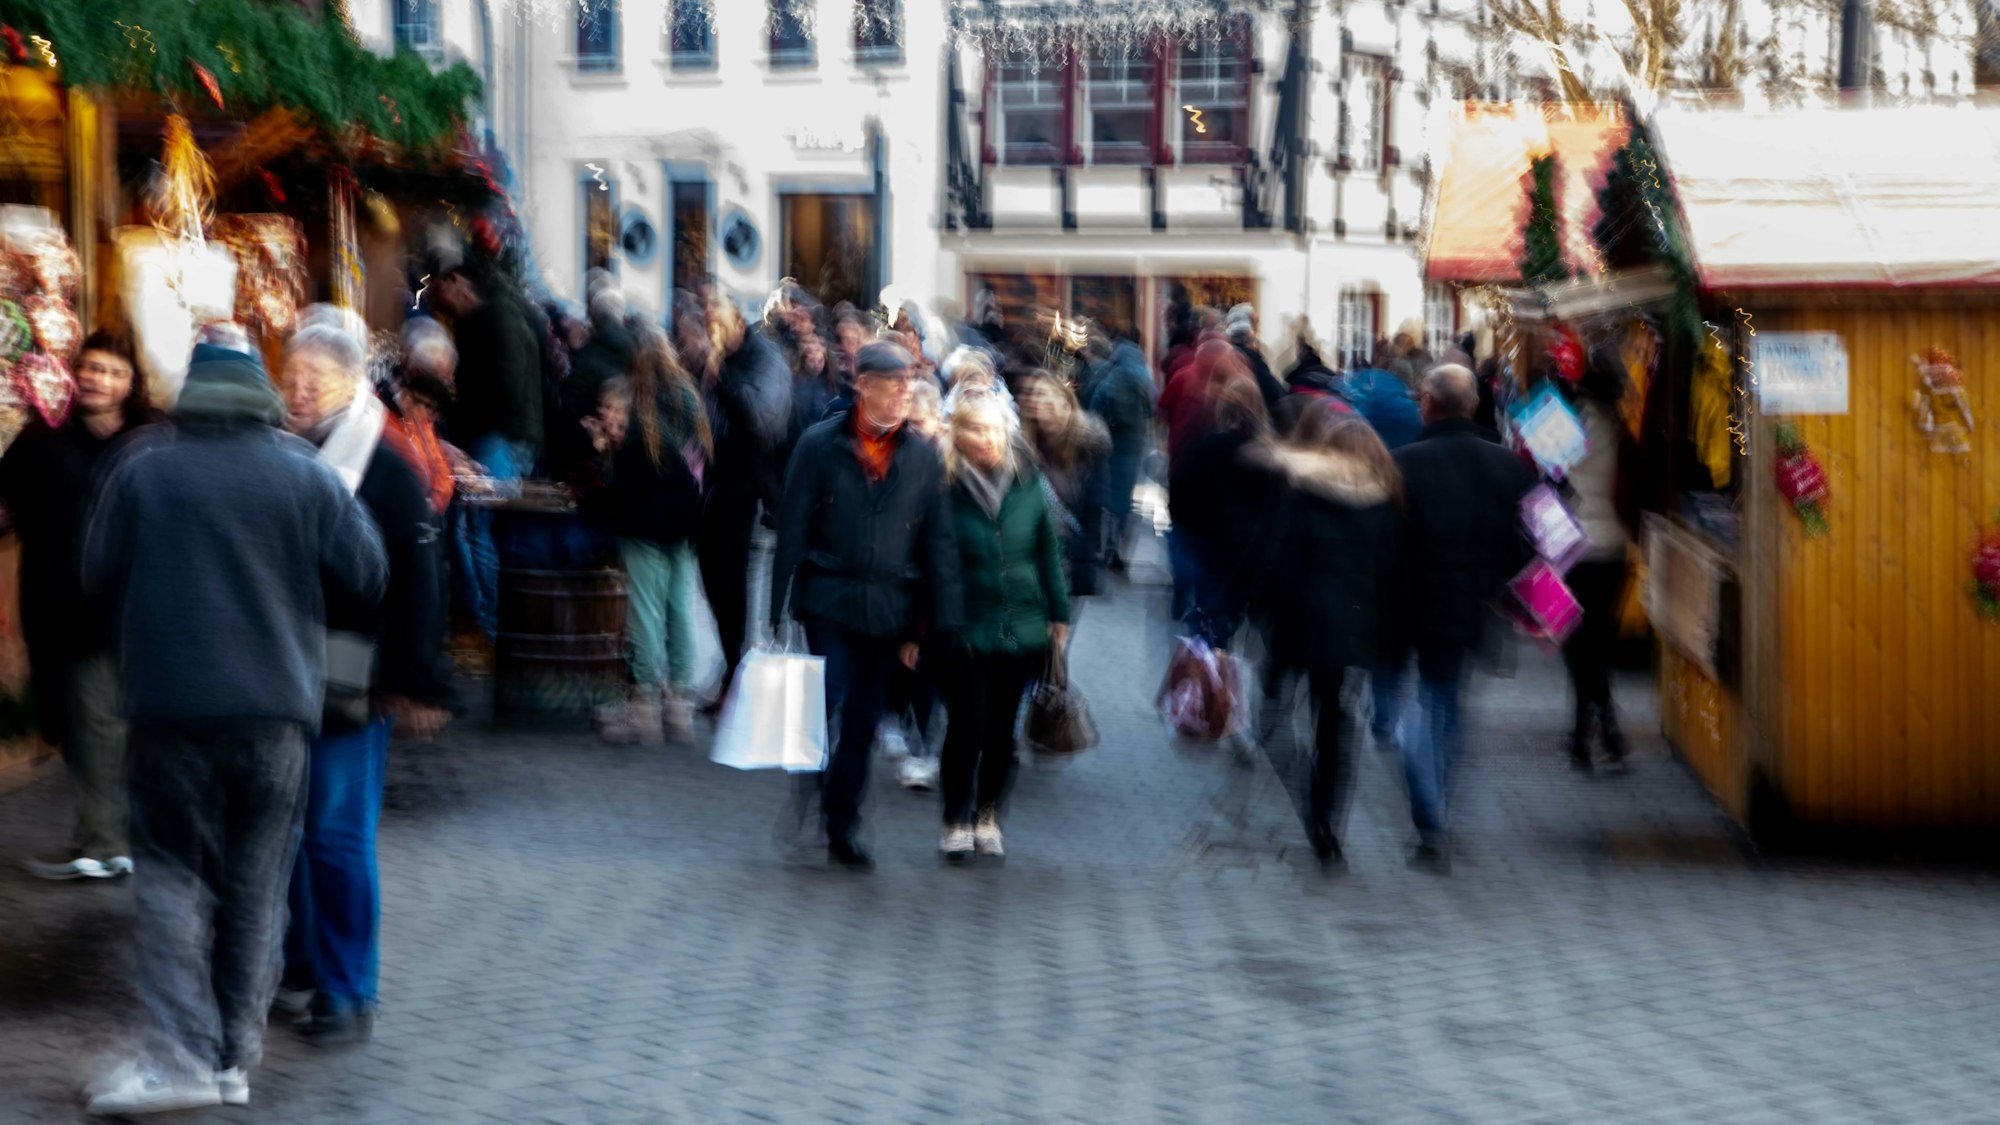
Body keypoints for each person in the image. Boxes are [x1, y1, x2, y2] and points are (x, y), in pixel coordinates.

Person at [78, 341, 387, 1115]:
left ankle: (177, 1054)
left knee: (174, 881)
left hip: (168, 710)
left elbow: (93, 571)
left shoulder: (144, 467)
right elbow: (369, 570)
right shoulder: (303, 471)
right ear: (260, 398)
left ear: (190, 396)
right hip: (277, 712)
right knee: (258, 884)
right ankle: (231, 1061)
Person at [277, 322, 452, 1045]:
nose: (300, 388)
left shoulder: (383, 469)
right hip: (279, 669)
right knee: (287, 832)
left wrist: (416, 682)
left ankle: (350, 991)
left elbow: (418, 585)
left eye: (316, 375)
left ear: (352, 385)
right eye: (290, 373)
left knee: (336, 835)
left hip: (355, 675)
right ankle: (303, 966)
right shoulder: (275, 453)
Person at [770, 341, 963, 869]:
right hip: (829, 598)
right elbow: (792, 524)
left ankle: (842, 822)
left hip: (890, 608)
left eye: (909, 382)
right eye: (893, 382)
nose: (905, 392)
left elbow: (938, 542)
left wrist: (940, 621)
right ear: (864, 385)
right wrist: (776, 604)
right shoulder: (820, 445)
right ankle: (811, 782)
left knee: (861, 721)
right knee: (825, 700)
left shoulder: (922, 458)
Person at [1, 329, 153, 881]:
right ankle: (106, 833)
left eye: (112, 371)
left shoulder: (149, 438)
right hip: (51, 605)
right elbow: (6, 500)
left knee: (101, 724)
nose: (98, 379)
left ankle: (107, 842)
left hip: (120, 613)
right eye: (90, 367)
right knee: (68, 724)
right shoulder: (45, 435)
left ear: (131, 383)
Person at [1388, 364, 1537, 871]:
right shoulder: (1506, 466)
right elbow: (1531, 540)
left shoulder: (1403, 464)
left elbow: (1386, 544)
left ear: (1429, 402)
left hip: (1415, 606)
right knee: (1448, 704)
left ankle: (1431, 820)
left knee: (1426, 707)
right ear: (1472, 405)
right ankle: (1437, 811)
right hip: (1475, 607)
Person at [1244, 405, 1402, 867]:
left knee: (1272, 718)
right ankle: (1327, 819)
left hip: (1298, 624)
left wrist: (1260, 615)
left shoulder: (1303, 494)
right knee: (1334, 722)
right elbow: (1392, 574)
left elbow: (1275, 560)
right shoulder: (1386, 502)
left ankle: (1309, 800)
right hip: (1351, 631)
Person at [937, 393, 1070, 862]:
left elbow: (1047, 550)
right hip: (965, 626)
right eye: (975, 430)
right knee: (966, 726)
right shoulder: (944, 485)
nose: (986, 440)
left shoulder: (1028, 482)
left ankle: (988, 814)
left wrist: (1059, 614)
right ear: (959, 435)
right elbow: (932, 557)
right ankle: (955, 817)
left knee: (1000, 732)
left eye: (993, 430)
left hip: (1022, 625)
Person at [588, 325, 711, 745]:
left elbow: (625, 477)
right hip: (685, 520)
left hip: (643, 521)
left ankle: (644, 705)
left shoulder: (636, 407)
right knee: (679, 608)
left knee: (644, 611)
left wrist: (605, 451)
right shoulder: (691, 400)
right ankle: (680, 706)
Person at [691, 288, 792, 711]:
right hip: (711, 483)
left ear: (735, 320)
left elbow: (761, 423)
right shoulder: (712, 361)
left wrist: (720, 375)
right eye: (706, 317)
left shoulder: (764, 358)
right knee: (712, 579)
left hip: (750, 487)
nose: (710, 326)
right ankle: (732, 666)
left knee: (734, 581)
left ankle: (738, 673)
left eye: (716, 318)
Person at [433, 258, 543, 638]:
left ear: (458, 281)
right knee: (476, 529)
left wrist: (462, 416)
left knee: (477, 530)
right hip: (502, 437)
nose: (437, 296)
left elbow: (506, 390)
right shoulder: (494, 317)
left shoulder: (496, 320)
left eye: (440, 286)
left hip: (499, 439)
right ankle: (487, 622)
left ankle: (492, 627)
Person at [1562, 361, 1639, 771]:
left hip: (1572, 546)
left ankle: (1585, 734)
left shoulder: (1565, 428)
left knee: (1579, 644)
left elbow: (1544, 476)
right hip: (1612, 546)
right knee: (1599, 641)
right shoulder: (1622, 433)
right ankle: (1603, 732)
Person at [882, 376, 947, 790]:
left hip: (931, 587)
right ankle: (900, 723)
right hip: (900, 584)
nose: (914, 433)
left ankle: (923, 748)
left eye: (920, 424)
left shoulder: (946, 463)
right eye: (908, 425)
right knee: (902, 663)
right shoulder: (895, 457)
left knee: (927, 670)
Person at [1018, 370, 1110, 601]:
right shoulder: (1023, 449)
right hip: (1035, 559)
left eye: (1046, 395)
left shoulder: (1090, 447)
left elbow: (1094, 512)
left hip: (1073, 557)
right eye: (1035, 396)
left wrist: (1085, 562)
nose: (1041, 402)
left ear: (1065, 400)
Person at [1084, 327, 1155, 575]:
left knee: (1106, 494)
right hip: (1134, 445)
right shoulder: (1142, 374)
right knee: (1125, 498)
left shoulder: (1111, 374)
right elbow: (1153, 406)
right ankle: (1118, 547)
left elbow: (1096, 406)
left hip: (1110, 444)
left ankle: (1104, 547)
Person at [1224, 303, 1286, 412]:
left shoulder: (1223, 355)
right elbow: (1276, 394)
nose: (1259, 328)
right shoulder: (1251, 359)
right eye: (1255, 324)